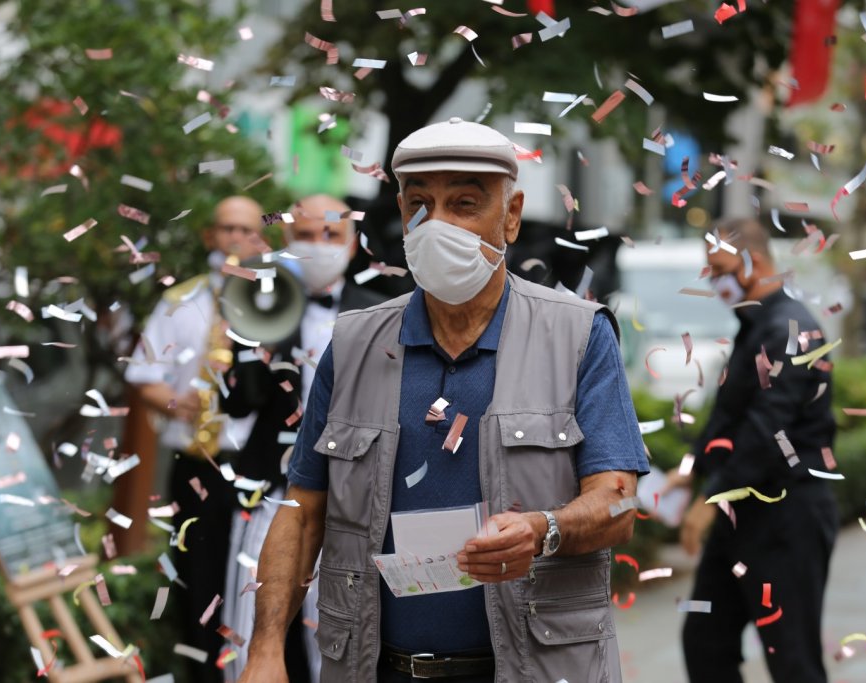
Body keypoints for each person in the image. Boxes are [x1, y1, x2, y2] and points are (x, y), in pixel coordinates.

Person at [237, 117, 649, 683]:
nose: (438, 225)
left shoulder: (577, 336)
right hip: (377, 668)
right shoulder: (355, 344)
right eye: (420, 205)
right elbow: (302, 512)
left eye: (464, 204)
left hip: (533, 668)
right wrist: (265, 651)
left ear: (511, 215)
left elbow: (619, 506)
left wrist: (542, 529)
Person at [220, 194, 385, 682]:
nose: (319, 245)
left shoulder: (379, 313)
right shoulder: (264, 303)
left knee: (337, 630)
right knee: (246, 622)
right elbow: (239, 402)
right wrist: (249, 332)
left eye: (331, 235)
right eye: (307, 236)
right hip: (269, 489)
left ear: (351, 245)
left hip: (349, 496)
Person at [667, 217, 838, 683]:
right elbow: (728, 418)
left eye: (721, 270)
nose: (715, 282)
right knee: (705, 642)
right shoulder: (755, 324)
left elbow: (766, 432)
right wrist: (690, 468)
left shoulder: (790, 329)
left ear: (755, 262)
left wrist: (710, 499)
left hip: (787, 517)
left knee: (792, 660)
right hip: (741, 514)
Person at [125, 196, 266, 683]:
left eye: (247, 230)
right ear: (210, 235)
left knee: (253, 583)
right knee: (198, 581)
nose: (237, 238)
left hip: (253, 465)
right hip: (196, 461)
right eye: (228, 229)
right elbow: (142, 374)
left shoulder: (273, 297)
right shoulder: (179, 300)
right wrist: (173, 401)